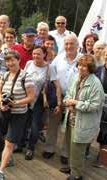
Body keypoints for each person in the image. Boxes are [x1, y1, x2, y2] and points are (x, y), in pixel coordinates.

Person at [60, 55, 104, 180]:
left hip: (83, 122)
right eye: (79, 65)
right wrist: (67, 101)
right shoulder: (76, 78)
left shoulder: (95, 83)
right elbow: (69, 93)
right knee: (70, 146)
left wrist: (75, 103)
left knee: (78, 149)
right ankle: (71, 167)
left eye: (84, 66)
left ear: (90, 68)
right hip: (71, 118)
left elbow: (95, 105)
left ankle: (76, 175)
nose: (81, 68)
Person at [0, 50, 34, 180]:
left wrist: (16, 103)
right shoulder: (5, 75)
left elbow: (31, 97)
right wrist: (1, 102)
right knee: (4, 136)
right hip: (4, 112)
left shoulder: (26, 76)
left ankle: (0, 171)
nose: (10, 63)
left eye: (13, 60)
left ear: (18, 60)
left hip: (18, 114)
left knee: (10, 142)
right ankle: (8, 159)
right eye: (8, 61)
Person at [44, 35, 81, 164]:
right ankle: (49, 148)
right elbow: (51, 77)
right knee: (53, 122)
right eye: (66, 44)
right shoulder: (58, 58)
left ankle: (66, 152)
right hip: (57, 96)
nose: (69, 46)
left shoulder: (82, 60)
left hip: (74, 98)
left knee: (70, 126)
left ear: (77, 45)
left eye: (71, 44)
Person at [21, 46, 61, 160]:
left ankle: (30, 148)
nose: (35, 56)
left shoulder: (50, 67)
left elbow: (57, 85)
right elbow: (22, 78)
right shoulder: (29, 63)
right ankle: (20, 144)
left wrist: (58, 102)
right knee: (23, 121)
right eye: (34, 54)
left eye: (38, 54)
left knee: (35, 125)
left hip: (39, 99)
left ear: (44, 54)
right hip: (26, 97)